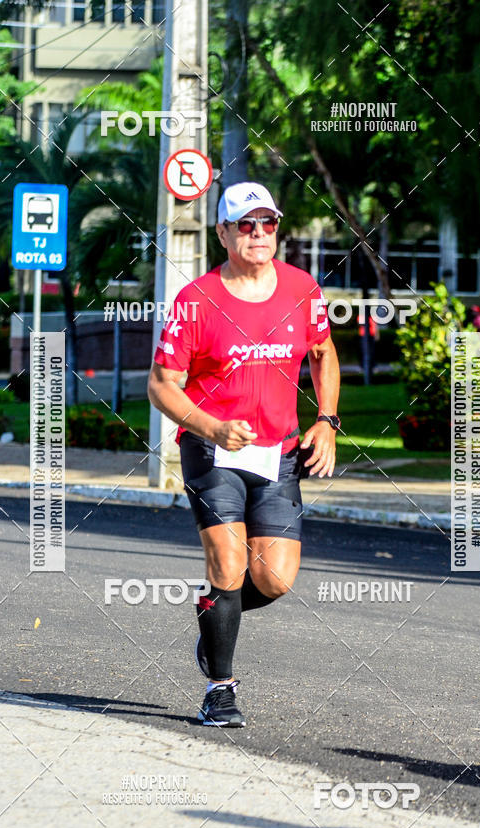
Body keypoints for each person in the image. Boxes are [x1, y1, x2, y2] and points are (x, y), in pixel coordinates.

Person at [148, 182, 340, 728]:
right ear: (223, 233)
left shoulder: (303, 290)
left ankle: (214, 619)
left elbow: (324, 355)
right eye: (245, 224)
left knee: (275, 578)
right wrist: (211, 425)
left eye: (268, 224)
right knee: (228, 566)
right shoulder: (197, 300)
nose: (259, 234)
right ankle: (220, 688)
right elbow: (162, 385)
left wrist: (326, 421)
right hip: (213, 452)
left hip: (277, 454)